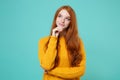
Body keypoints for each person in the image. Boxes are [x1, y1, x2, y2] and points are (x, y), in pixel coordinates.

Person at [38, 5, 86, 80]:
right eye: (60, 16)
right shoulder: (43, 41)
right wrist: (53, 38)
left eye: (67, 18)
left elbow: (80, 70)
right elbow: (47, 65)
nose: (62, 20)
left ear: (71, 22)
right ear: (55, 18)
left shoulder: (78, 42)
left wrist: (51, 71)